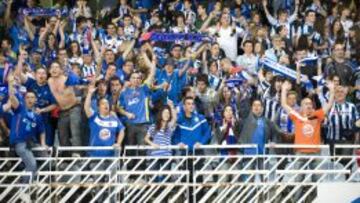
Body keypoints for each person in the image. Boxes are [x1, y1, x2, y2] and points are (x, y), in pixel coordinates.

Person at [7, 74, 47, 182]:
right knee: (32, 164)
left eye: (32, 97)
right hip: (20, 143)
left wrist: (43, 144)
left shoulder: (37, 115)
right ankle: (23, 189)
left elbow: (42, 130)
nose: (30, 99)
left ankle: (36, 184)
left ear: (35, 100)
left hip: (32, 144)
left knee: (47, 160)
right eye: (28, 97)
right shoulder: (20, 108)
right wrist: (10, 84)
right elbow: (11, 97)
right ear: (24, 99)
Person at [48, 61, 84, 155]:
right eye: (52, 67)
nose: (54, 69)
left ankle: (77, 154)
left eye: (56, 67)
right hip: (62, 111)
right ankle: (67, 158)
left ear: (60, 70)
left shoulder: (66, 79)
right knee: (62, 134)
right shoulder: (49, 81)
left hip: (74, 107)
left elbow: (79, 83)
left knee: (75, 129)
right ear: (49, 70)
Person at [84, 82, 124, 157]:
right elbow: (86, 107)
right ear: (98, 107)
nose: (106, 105)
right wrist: (89, 94)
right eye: (103, 103)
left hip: (111, 157)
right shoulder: (94, 117)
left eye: (107, 103)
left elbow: (122, 130)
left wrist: (118, 143)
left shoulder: (114, 119)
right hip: (95, 156)